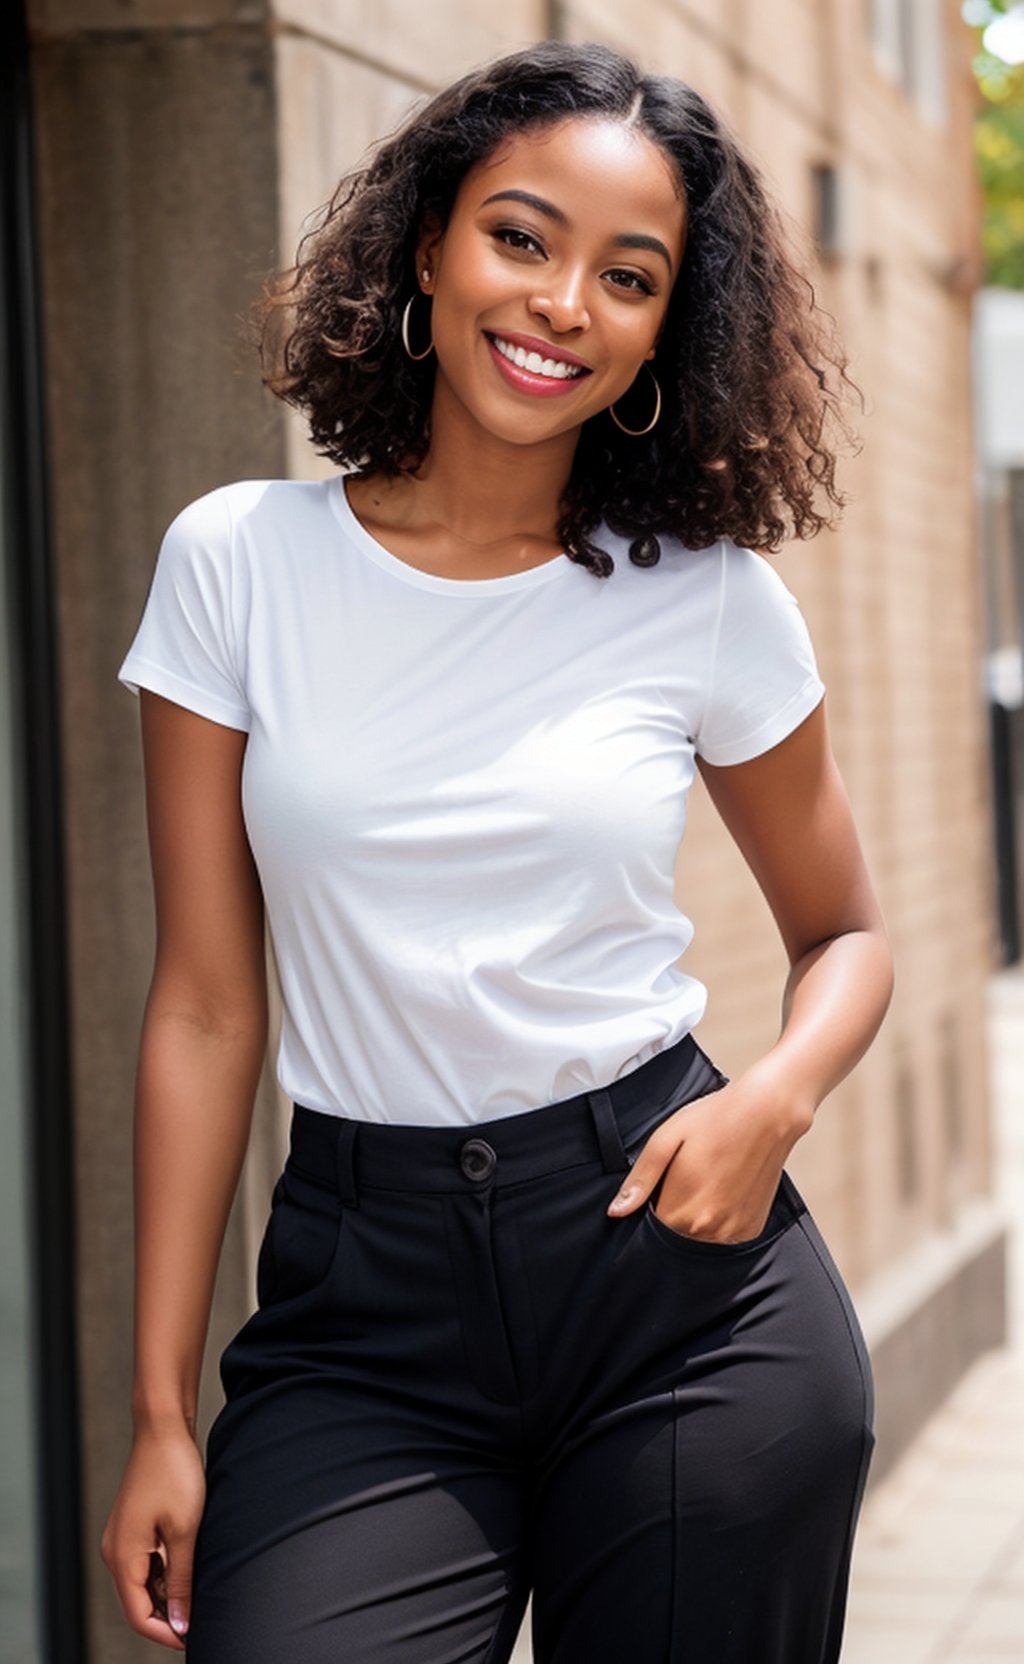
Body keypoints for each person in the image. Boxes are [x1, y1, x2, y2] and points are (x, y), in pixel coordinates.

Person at [101, 38, 894, 1664]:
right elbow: (200, 1007)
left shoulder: (706, 597)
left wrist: (775, 1101)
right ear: (425, 246)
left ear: (670, 326)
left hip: (680, 1283)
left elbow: (847, 933)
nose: (560, 303)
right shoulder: (238, 564)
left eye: (628, 274)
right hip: (359, 1300)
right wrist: (160, 1411)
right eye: (519, 238)